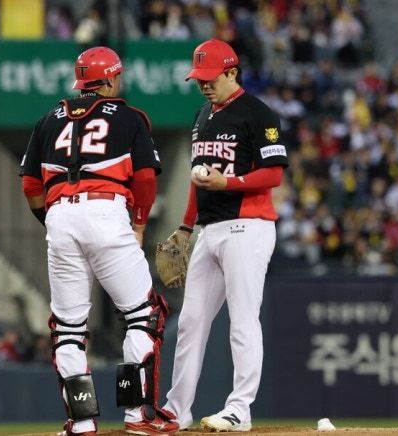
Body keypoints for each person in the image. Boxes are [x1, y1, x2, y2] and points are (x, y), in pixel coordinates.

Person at [20, 46, 179, 436]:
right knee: (142, 315)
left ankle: (82, 422)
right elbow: (145, 179)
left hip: (60, 216)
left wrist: (54, 220)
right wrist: (139, 223)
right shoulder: (128, 117)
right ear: (109, 79)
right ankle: (137, 414)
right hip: (107, 212)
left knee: (68, 328)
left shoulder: (47, 120)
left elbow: (31, 186)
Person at [162, 39, 289, 432]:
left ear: (232, 72)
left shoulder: (259, 114)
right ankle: (176, 411)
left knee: (243, 319)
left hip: (248, 226)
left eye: (210, 78)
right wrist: (186, 227)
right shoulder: (202, 115)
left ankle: (239, 409)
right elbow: (197, 179)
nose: (204, 85)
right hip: (209, 229)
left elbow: (274, 174)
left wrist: (229, 182)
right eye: (199, 79)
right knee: (190, 322)